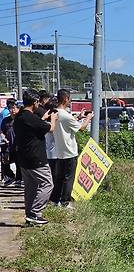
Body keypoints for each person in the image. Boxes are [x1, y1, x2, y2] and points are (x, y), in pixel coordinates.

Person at [13, 90, 58, 225]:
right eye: (38, 101)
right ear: (34, 102)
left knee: (30, 187)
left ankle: (29, 215)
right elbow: (50, 128)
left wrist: (43, 119)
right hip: (36, 158)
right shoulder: (31, 118)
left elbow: (35, 126)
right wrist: (53, 120)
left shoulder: (20, 118)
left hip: (23, 158)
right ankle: (35, 212)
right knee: (47, 184)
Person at [52, 89, 94, 209]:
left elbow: (69, 122)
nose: (69, 101)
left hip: (59, 151)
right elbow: (82, 128)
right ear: (66, 99)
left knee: (59, 178)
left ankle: (55, 200)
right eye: (69, 98)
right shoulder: (65, 115)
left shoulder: (56, 113)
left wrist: (79, 117)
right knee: (68, 178)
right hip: (69, 151)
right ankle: (65, 202)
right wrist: (88, 118)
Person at [0, 99, 18, 184]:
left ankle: (19, 179)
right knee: (4, 162)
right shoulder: (5, 120)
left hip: (18, 145)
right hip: (8, 145)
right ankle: (10, 176)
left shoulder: (20, 119)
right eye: (10, 108)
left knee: (19, 163)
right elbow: (1, 131)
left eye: (14, 108)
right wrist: (3, 137)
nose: (12, 110)